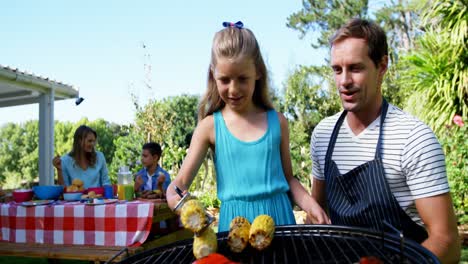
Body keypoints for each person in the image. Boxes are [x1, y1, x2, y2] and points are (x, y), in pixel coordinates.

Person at [310, 18, 460, 263]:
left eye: (355, 68)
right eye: (337, 69)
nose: (344, 81)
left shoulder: (413, 138)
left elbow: (447, 241)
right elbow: (319, 216)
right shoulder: (323, 135)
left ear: (382, 66)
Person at [167, 21, 330, 232]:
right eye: (224, 80)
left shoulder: (278, 122)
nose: (233, 89)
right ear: (213, 75)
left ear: (258, 72)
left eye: (242, 79)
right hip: (235, 229)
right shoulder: (210, 127)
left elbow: (288, 179)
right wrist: (173, 195)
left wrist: (311, 205)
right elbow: (180, 183)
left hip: (280, 224)